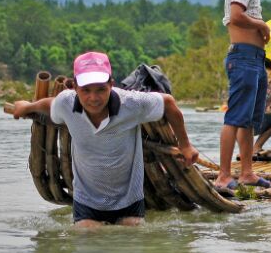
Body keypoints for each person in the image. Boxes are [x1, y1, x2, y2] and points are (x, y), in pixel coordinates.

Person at [12, 51, 199, 227]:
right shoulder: (66, 103)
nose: (94, 98)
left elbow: (168, 103)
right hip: (87, 199)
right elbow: (49, 104)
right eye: (86, 90)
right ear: (75, 87)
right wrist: (27, 107)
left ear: (111, 84)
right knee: (86, 239)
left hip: (129, 198)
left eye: (101, 89)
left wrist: (185, 145)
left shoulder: (131, 104)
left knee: (131, 239)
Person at [215, 0, 271, 190]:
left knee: (248, 119)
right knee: (235, 117)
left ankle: (247, 172)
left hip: (254, 59)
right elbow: (237, 15)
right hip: (244, 58)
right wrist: (261, 25)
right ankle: (224, 175)